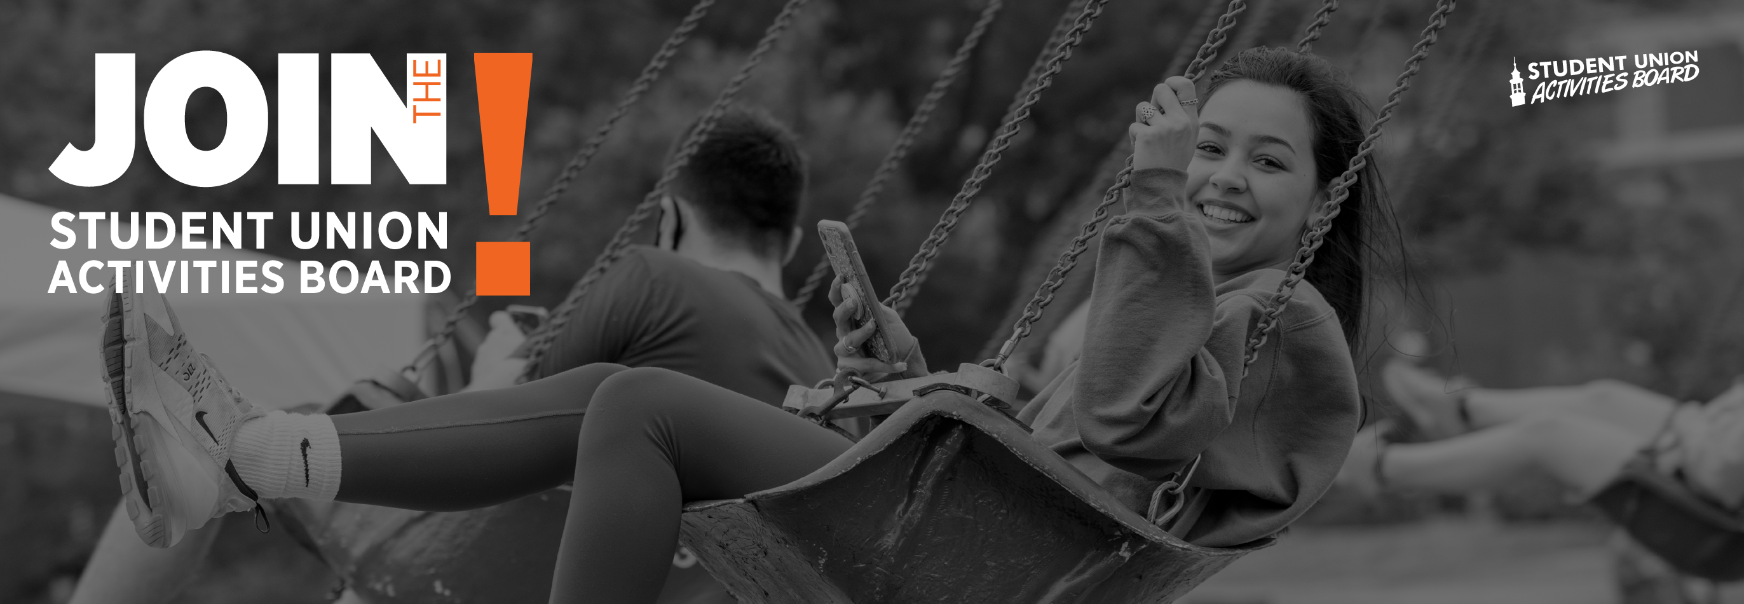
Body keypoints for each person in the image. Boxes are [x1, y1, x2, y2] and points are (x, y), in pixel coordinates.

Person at [100, 47, 1408, 603]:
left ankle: (258, 457)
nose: (1219, 178)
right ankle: (253, 457)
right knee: (615, 405)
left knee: (632, 404)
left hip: (1001, 559)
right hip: (974, 520)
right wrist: (913, 384)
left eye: (1266, 162)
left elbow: (1125, 424)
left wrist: (1149, 200)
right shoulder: (1200, 289)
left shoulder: (1283, 317)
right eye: (1207, 149)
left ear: (1321, 201)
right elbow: (1083, 422)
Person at [73, 106, 830, 604]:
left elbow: (501, 428)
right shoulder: (818, 377)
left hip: (518, 566)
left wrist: (498, 366)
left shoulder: (656, 280)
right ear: (793, 242)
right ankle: (236, 454)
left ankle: (231, 456)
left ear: (668, 219)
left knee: (240, 439)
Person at [1337, 360, 1744, 515]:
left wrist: (1693, 430)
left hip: (1705, 473)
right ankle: (1461, 409)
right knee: (1605, 396)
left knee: (1547, 434)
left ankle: (1381, 467)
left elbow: (1723, 466)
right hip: (1706, 438)